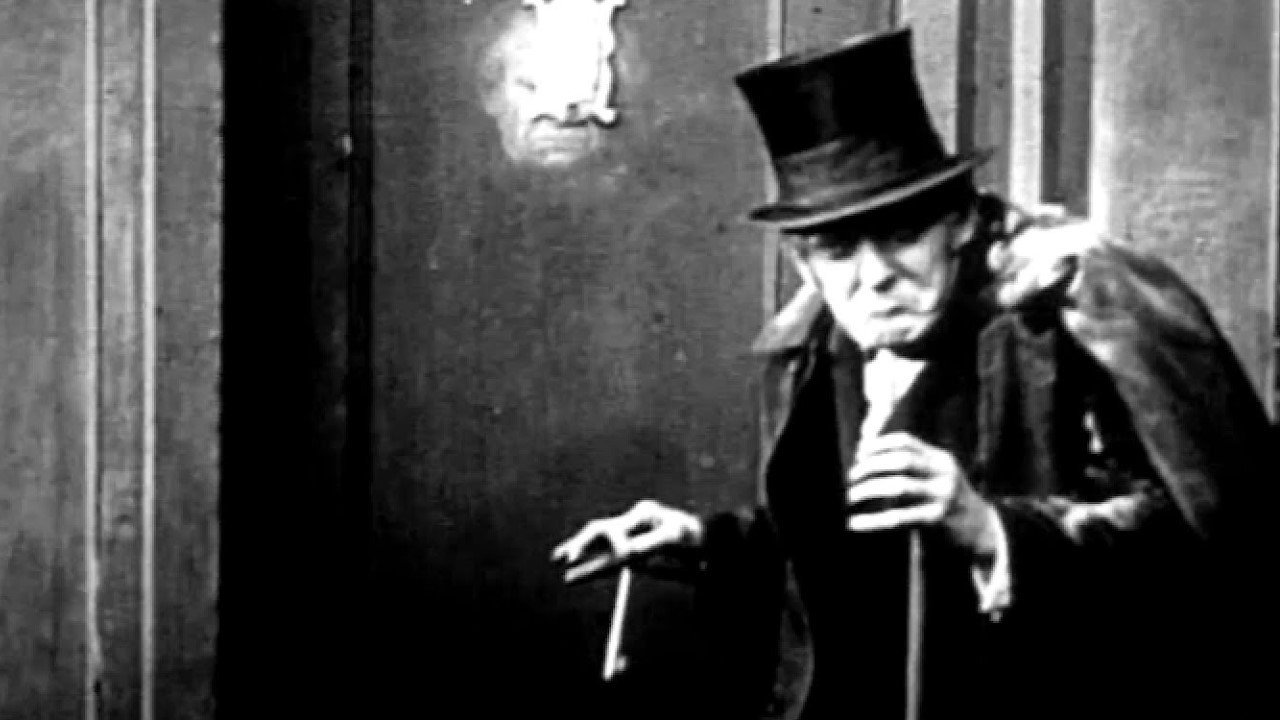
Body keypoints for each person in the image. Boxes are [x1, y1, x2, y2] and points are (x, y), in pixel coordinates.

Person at [551, 27, 1274, 720]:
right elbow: (845, 552)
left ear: (959, 224)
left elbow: (1215, 551)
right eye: (837, 249)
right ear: (803, 261)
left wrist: (993, 529)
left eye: (902, 235)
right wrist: (704, 542)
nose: (875, 277)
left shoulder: (1067, 316)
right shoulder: (820, 352)